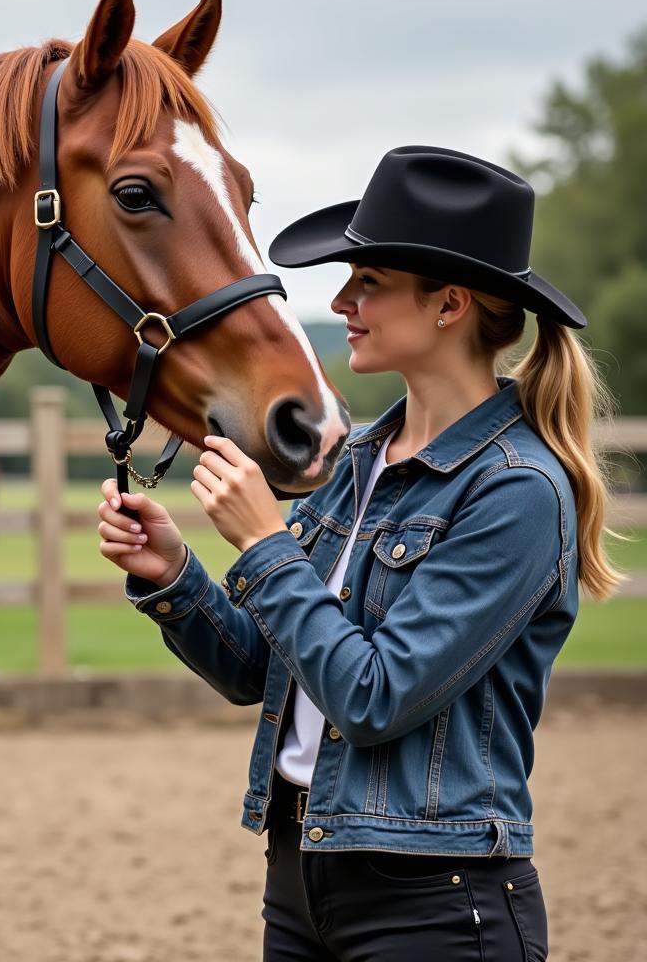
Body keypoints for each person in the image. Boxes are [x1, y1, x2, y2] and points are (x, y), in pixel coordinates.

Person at [95, 146, 625, 961]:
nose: (341, 300)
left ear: (450, 304)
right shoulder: (359, 462)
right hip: (300, 873)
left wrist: (267, 542)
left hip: (436, 905)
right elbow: (260, 671)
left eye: (367, 282)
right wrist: (175, 575)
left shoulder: (518, 492)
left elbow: (373, 696)